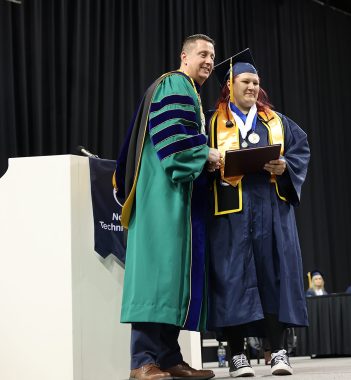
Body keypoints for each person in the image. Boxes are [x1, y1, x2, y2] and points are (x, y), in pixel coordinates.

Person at [113, 34, 219, 380]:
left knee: (172, 278)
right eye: (203, 53)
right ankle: (141, 361)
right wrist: (207, 154)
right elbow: (175, 148)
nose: (209, 61)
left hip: (176, 198)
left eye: (213, 56)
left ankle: (168, 357)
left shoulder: (188, 89)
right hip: (162, 197)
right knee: (156, 277)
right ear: (184, 57)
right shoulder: (175, 84)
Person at [206, 49, 310, 377]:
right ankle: (237, 354)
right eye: (246, 81)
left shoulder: (277, 122)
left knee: (274, 275)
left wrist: (285, 166)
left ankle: (278, 351)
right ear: (229, 84)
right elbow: (197, 159)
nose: (252, 87)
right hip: (229, 213)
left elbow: (300, 150)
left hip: (271, 209)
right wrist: (212, 162)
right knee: (232, 279)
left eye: (256, 82)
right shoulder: (211, 121)